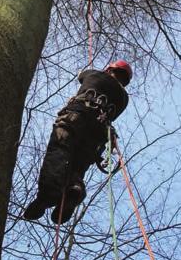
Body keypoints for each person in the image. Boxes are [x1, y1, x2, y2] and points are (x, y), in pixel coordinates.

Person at [23, 60, 132, 224]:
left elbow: (81, 76)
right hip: (98, 133)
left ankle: (48, 194)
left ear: (110, 69)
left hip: (77, 116)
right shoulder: (124, 98)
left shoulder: (96, 74)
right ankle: (74, 189)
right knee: (78, 166)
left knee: (60, 148)